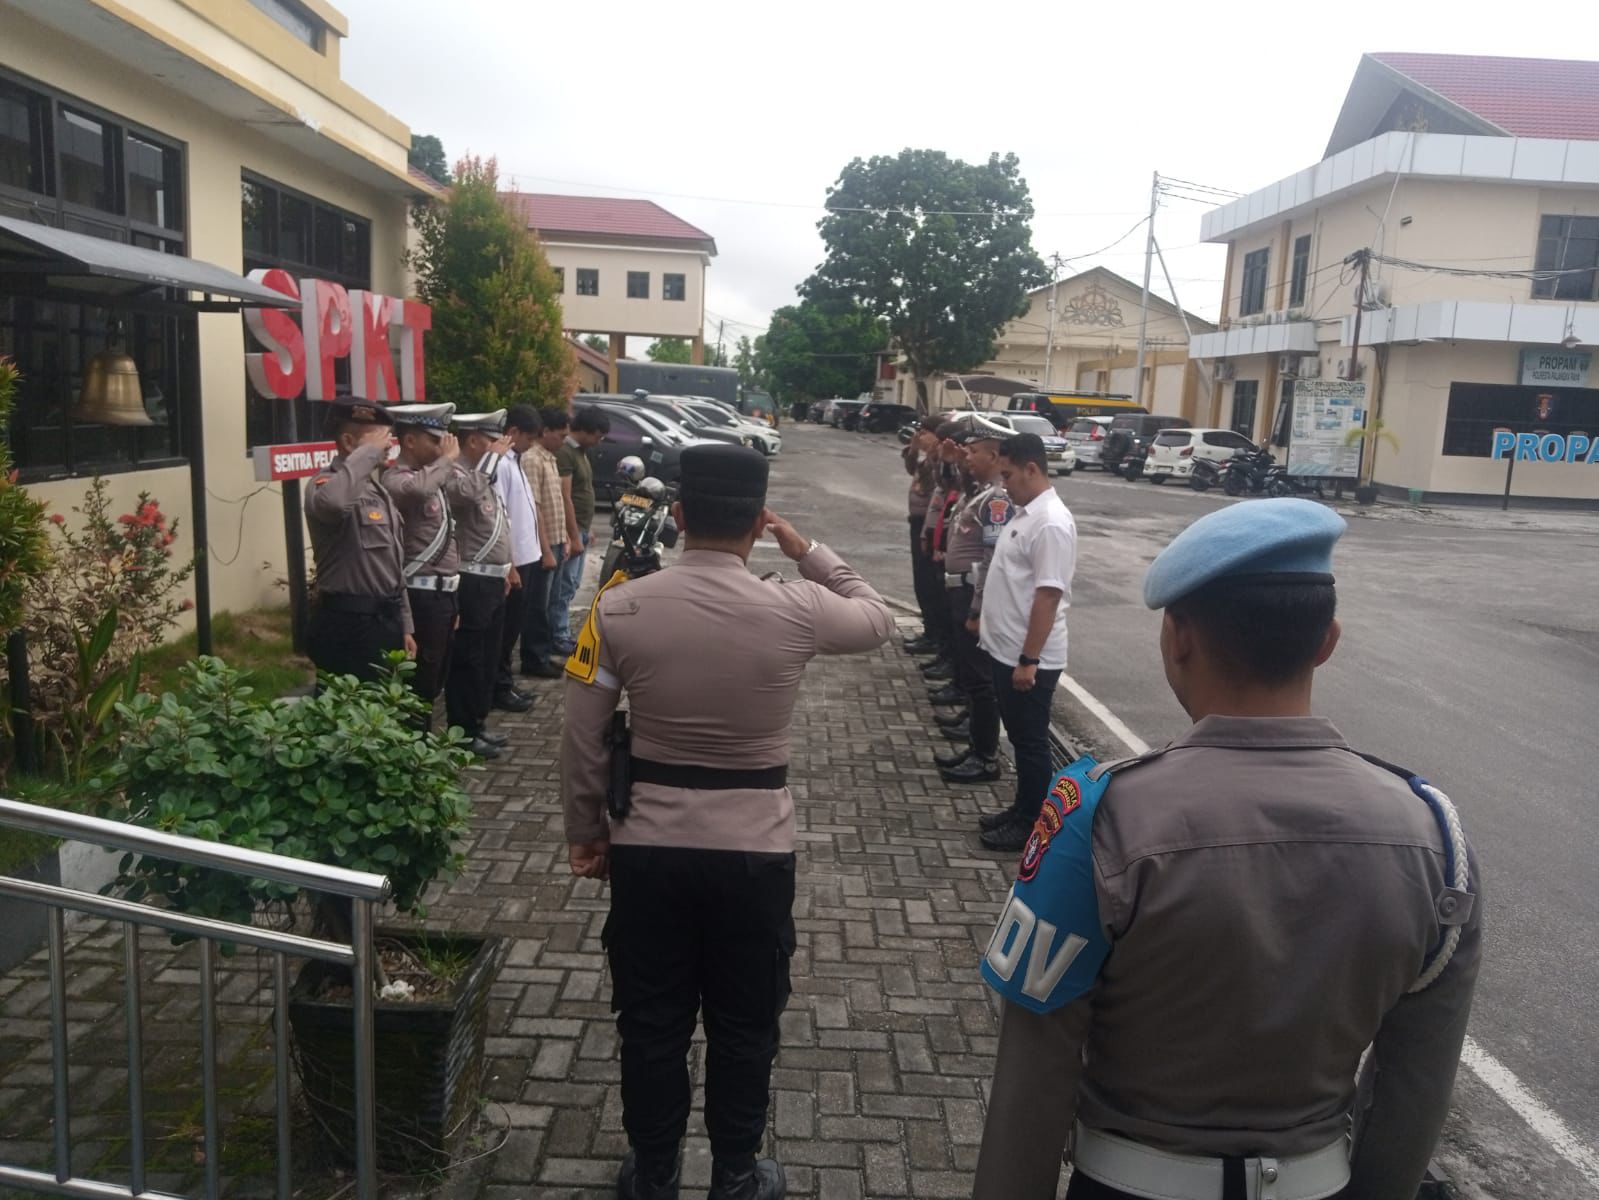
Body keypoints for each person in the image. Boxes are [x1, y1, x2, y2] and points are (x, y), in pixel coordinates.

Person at [972, 498, 1482, 1200]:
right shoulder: (1434, 836)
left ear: (1178, 637)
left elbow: (1034, 1074)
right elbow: (1414, 1088)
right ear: (1326, 641)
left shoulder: (1098, 816)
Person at [561, 446, 893, 1200]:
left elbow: (583, 733)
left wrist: (585, 829)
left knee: (651, 1020)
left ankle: (654, 1173)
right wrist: (806, 550)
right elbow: (876, 617)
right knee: (745, 1024)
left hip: (647, 849)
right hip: (754, 854)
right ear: (758, 522)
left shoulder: (618, 607)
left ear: (678, 517)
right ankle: (736, 1175)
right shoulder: (797, 606)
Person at [976, 432, 1075, 852]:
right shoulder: (1025, 513)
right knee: (1019, 737)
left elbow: (1048, 596)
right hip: (1007, 650)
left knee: (1031, 742)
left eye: (1009, 475)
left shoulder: (1050, 522)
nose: (1004, 484)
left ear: (1031, 469)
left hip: (1028, 657)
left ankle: (1033, 823)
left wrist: (1029, 659)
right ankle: (1022, 808)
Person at [302, 400, 414, 682]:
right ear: (348, 442)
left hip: (384, 620)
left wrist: (405, 624)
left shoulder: (378, 491)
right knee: (347, 704)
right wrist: (366, 455)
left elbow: (392, 568)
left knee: (383, 701)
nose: (387, 445)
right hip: (347, 624)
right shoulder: (324, 483)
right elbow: (334, 505)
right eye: (378, 439)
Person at [933, 428, 1013, 784]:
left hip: (971, 592)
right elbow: (953, 481)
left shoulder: (997, 501)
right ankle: (976, 744)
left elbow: (992, 555)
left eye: (973, 452)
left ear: (993, 457)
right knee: (970, 673)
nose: (967, 457)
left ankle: (986, 757)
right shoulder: (981, 492)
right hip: (961, 589)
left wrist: (978, 608)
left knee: (981, 680)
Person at [380, 403, 459, 727]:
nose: (442, 447)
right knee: (420, 680)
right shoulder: (396, 479)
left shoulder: (432, 476)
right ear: (410, 441)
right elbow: (418, 490)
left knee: (436, 676)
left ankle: (424, 739)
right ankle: (416, 742)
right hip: (418, 596)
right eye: (435, 440)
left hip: (443, 595)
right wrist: (447, 460)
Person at [445, 409, 515, 759]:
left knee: (488, 657)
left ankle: (477, 722)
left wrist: (506, 569)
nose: (498, 448)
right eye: (491, 441)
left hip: (492, 579)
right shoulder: (457, 474)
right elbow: (465, 496)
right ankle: (462, 732)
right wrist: (491, 461)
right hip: (471, 579)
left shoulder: (479, 474)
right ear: (473, 441)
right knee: (468, 659)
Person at [490, 404, 543, 714]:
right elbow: (502, 516)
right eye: (529, 438)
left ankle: (504, 681)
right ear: (513, 432)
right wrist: (509, 565)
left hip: (527, 557)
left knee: (513, 628)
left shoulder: (515, 461)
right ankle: (499, 687)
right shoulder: (501, 465)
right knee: (505, 630)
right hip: (515, 561)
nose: (532, 444)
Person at [549, 406, 608, 657]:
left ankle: (560, 632)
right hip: (569, 531)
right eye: (597, 436)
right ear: (585, 430)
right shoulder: (566, 454)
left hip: (581, 528)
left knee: (571, 584)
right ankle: (558, 634)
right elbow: (565, 496)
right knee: (564, 586)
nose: (599, 441)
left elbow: (583, 492)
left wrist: (586, 529)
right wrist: (573, 536)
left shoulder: (580, 453)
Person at [518, 406, 569, 679]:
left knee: (549, 603)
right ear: (545, 431)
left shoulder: (549, 458)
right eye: (560, 435)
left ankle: (545, 653)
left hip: (556, 540)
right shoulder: (532, 459)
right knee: (536, 605)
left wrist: (565, 538)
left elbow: (556, 501)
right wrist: (546, 549)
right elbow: (534, 506)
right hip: (542, 545)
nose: (563, 441)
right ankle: (534, 658)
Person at [901, 419, 947, 660]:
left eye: (925, 432)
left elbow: (929, 484)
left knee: (930, 582)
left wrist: (931, 454)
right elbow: (912, 469)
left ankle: (935, 634)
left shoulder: (940, 460)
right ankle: (929, 630)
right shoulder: (927, 458)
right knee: (921, 580)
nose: (920, 436)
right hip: (918, 521)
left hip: (929, 527)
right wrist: (913, 449)